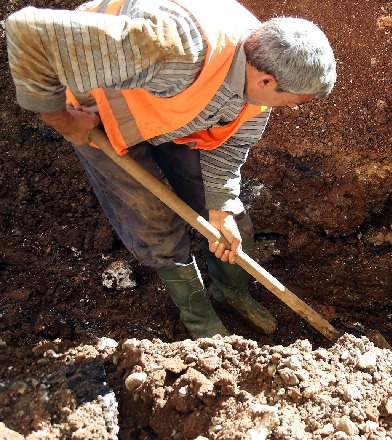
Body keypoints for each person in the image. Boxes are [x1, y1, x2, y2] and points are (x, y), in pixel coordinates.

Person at [5, 0, 337, 339]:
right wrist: (61, 120)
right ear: (266, 81)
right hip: (100, 111)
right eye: (296, 101)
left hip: (171, 111)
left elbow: (231, 145)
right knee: (155, 218)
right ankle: (199, 320)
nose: (295, 110)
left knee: (227, 216)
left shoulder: (259, 81)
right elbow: (29, 33)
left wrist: (220, 208)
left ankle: (230, 291)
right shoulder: (175, 49)